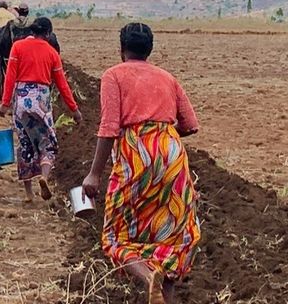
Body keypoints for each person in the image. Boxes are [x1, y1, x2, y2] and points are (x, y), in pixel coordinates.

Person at [81, 23, 201, 304]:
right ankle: (161, 291)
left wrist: (94, 175)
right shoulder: (167, 77)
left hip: (136, 155)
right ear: (150, 49)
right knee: (171, 236)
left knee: (114, 237)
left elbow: (109, 127)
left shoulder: (114, 76)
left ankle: (148, 277)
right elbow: (191, 125)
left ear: (122, 50)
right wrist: (162, 138)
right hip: (172, 154)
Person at [0, 17, 82, 203]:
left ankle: (28, 194)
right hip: (41, 100)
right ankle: (44, 176)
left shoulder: (17, 47)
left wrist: (4, 103)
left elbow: (10, 76)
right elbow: (62, 85)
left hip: (21, 100)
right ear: (48, 34)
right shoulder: (52, 53)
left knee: (25, 144)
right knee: (48, 143)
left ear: (32, 31)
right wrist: (74, 110)